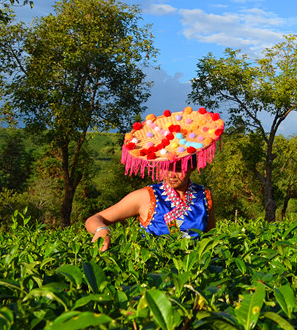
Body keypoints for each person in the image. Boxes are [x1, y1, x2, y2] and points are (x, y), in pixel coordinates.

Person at [86, 106, 224, 250]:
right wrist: (101, 230)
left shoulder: (204, 195)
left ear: (192, 166)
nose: (171, 175)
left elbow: (210, 239)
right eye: (165, 167)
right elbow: (94, 219)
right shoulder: (146, 197)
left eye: (178, 169)